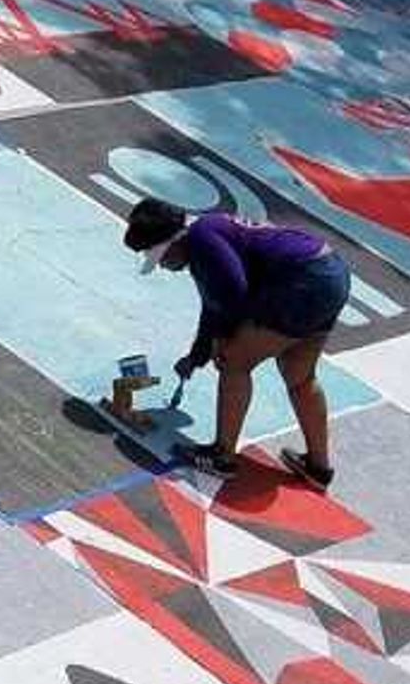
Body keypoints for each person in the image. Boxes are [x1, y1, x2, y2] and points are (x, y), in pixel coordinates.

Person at [123, 196, 348, 489]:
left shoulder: (203, 241)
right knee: (300, 376)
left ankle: (222, 456)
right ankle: (318, 467)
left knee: (233, 362)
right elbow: (214, 301)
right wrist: (198, 353)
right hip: (329, 274)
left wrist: (222, 343)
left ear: (174, 242)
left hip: (301, 281)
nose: (163, 266)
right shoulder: (207, 234)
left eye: (162, 257)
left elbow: (234, 295)